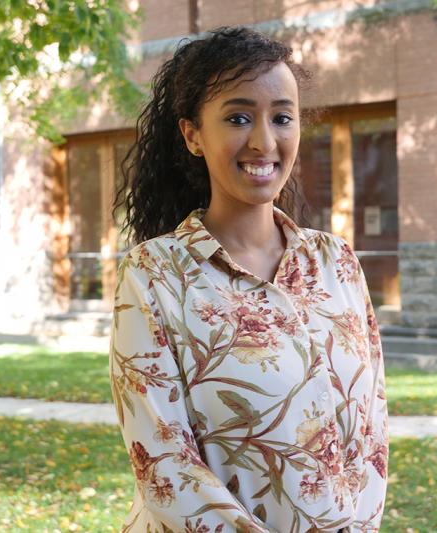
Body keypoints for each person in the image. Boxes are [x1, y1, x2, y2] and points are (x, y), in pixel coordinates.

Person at [110, 26, 388, 533]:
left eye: (282, 117)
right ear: (193, 135)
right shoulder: (154, 274)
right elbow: (164, 462)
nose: (264, 141)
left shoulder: (337, 262)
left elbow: (371, 435)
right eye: (238, 118)